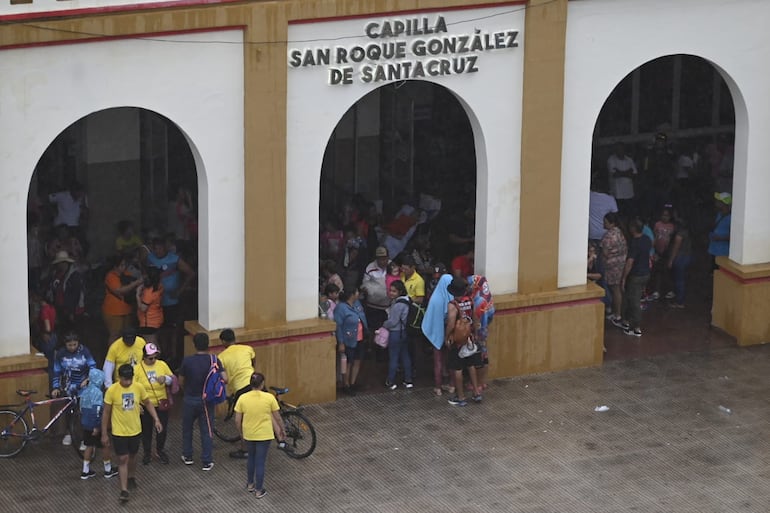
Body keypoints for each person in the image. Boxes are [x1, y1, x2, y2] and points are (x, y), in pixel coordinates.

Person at [102, 364, 162, 503]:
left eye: (130, 379)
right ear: (119, 377)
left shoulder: (138, 387)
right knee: (123, 459)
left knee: (133, 456)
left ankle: (131, 476)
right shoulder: (112, 391)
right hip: (119, 431)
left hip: (135, 430)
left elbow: (147, 402)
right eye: (125, 379)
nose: (128, 382)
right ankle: (124, 490)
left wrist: (156, 419)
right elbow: (106, 412)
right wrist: (104, 433)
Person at [177, 332, 228, 471]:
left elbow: (180, 381)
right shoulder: (214, 360)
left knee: (187, 428)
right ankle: (207, 460)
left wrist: (185, 390)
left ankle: (187, 456)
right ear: (208, 345)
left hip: (189, 398)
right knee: (206, 430)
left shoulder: (187, 361)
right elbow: (225, 378)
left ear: (194, 345)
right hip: (207, 400)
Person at [234, 372, 286, 499]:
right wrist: (282, 430)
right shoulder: (269, 398)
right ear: (262, 384)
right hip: (264, 435)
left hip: (249, 434)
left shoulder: (243, 398)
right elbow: (277, 417)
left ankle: (250, 484)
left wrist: (241, 433)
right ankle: (259, 490)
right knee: (260, 461)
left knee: (251, 458)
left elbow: (237, 420)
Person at [146, 237, 195, 360]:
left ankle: (173, 355)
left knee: (173, 329)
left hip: (172, 302)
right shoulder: (150, 258)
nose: (158, 251)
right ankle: (161, 353)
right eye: (155, 249)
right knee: (159, 330)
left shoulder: (174, 259)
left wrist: (180, 291)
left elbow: (190, 273)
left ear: (165, 248)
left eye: (160, 248)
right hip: (155, 303)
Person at [51, 331, 97, 445]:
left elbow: (93, 366)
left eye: (74, 344)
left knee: (83, 411)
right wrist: (55, 387)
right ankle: (68, 433)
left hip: (83, 386)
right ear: (65, 344)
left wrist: (88, 379)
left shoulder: (84, 351)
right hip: (68, 387)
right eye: (69, 345)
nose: (72, 347)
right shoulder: (61, 353)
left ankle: (84, 438)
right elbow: (56, 371)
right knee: (69, 411)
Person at [216, 328, 256, 460]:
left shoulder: (221, 357)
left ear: (223, 341)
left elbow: (223, 377)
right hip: (255, 382)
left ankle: (245, 449)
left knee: (241, 420)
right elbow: (253, 361)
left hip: (241, 388)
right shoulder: (247, 348)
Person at [444, 277, 482, 406]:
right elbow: (476, 318)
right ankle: (476, 393)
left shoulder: (453, 304)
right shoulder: (470, 301)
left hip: (458, 340)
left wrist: (447, 337)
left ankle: (461, 397)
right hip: (469, 338)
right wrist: (475, 334)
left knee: (457, 368)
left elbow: (450, 323)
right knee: (471, 365)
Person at [134, 343, 173, 465]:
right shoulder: (137, 369)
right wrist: (138, 404)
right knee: (146, 431)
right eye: (150, 358)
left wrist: (165, 379)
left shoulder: (162, 365)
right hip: (145, 404)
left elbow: (172, 378)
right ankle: (147, 452)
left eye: (155, 357)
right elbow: (134, 388)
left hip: (161, 403)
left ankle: (160, 450)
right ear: (144, 357)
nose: (153, 360)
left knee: (162, 429)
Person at [78, 368, 117, 480]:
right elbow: (98, 410)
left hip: (86, 424)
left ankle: (85, 471)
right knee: (105, 446)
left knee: (89, 446)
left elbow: (81, 409)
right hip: (95, 425)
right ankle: (108, 469)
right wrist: (97, 426)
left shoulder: (84, 392)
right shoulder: (98, 393)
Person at [422, 274, 453, 396]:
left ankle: (438, 387)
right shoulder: (453, 298)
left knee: (438, 361)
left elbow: (431, 317)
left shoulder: (435, 298)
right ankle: (452, 385)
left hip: (437, 332)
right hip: (450, 334)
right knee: (451, 360)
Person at [620, 219, 652, 337]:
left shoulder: (635, 243)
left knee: (634, 301)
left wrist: (624, 277)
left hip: (636, 275)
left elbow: (630, 262)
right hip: (645, 273)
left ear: (633, 228)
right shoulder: (646, 239)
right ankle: (626, 321)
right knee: (631, 298)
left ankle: (636, 327)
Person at [333, 287, 368, 396]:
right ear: (352, 294)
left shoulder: (357, 304)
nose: (358, 293)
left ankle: (353, 383)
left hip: (360, 338)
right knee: (348, 363)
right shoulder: (340, 308)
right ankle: (346, 384)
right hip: (348, 340)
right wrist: (341, 342)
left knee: (357, 361)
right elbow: (338, 326)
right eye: (356, 292)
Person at [380, 280, 413, 390]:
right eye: (390, 290)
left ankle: (391, 381)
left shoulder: (398, 305)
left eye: (394, 291)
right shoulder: (408, 301)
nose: (391, 293)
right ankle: (408, 380)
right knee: (405, 356)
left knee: (393, 357)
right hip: (405, 332)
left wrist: (384, 324)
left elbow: (392, 322)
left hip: (395, 333)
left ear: (400, 291)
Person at [102, 255, 142, 343]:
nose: (124, 267)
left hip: (127, 310)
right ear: (115, 266)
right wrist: (136, 283)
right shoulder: (110, 276)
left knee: (126, 334)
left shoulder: (126, 274)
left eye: (124, 264)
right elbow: (119, 291)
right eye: (122, 265)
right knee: (115, 334)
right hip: (113, 311)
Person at [468, 274, 495, 391]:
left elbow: (477, 320)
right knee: (484, 356)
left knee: (479, 357)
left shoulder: (478, 301)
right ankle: (482, 382)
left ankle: (478, 384)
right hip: (484, 329)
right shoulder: (487, 297)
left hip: (479, 331)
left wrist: (475, 331)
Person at [601, 213, 627, 328]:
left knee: (615, 289)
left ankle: (617, 314)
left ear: (611, 223)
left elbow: (605, 253)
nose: (604, 224)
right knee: (617, 289)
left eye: (605, 222)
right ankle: (617, 312)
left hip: (612, 266)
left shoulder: (608, 236)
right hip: (621, 263)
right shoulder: (620, 233)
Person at [361, 246, 391, 334]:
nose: (382, 261)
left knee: (385, 331)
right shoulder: (370, 267)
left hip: (387, 307)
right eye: (380, 259)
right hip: (373, 307)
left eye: (384, 259)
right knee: (373, 330)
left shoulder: (392, 266)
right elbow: (364, 284)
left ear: (388, 257)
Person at [666, 214, 692, 309]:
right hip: (687, 257)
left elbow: (675, 248)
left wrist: (671, 261)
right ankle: (678, 297)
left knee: (679, 280)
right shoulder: (687, 232)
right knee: (681, 279)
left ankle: (679, 302)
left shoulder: (679, 235)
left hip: (680, 259)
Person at [135, 266, 164, 345]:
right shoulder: (159, 286)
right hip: (157, 318)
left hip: (148, 322)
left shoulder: (149, 293)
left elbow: (143, 308)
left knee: (150, 345)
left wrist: (137, 295)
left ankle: (155, 358)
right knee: (155, 342)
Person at [607, 143, 637, 216]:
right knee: (618, 215)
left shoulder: (629, 160)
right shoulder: (611, 159)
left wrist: (620, 172)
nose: (620, 150)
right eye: (618, 149)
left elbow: (634, 174)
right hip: (617, 194)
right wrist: (628, 172)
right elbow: (615, 175)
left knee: (629, 214)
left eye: (622, 149)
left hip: (629, 194)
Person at [709, 192, 732, 269]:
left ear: (724, 203)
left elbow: (734, 236)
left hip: (723, 252)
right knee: (713, 271)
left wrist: (720, 238)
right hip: (714, 249)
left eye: (719, 201)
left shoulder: (731, 218)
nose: (716, 202)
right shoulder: (719, 214)